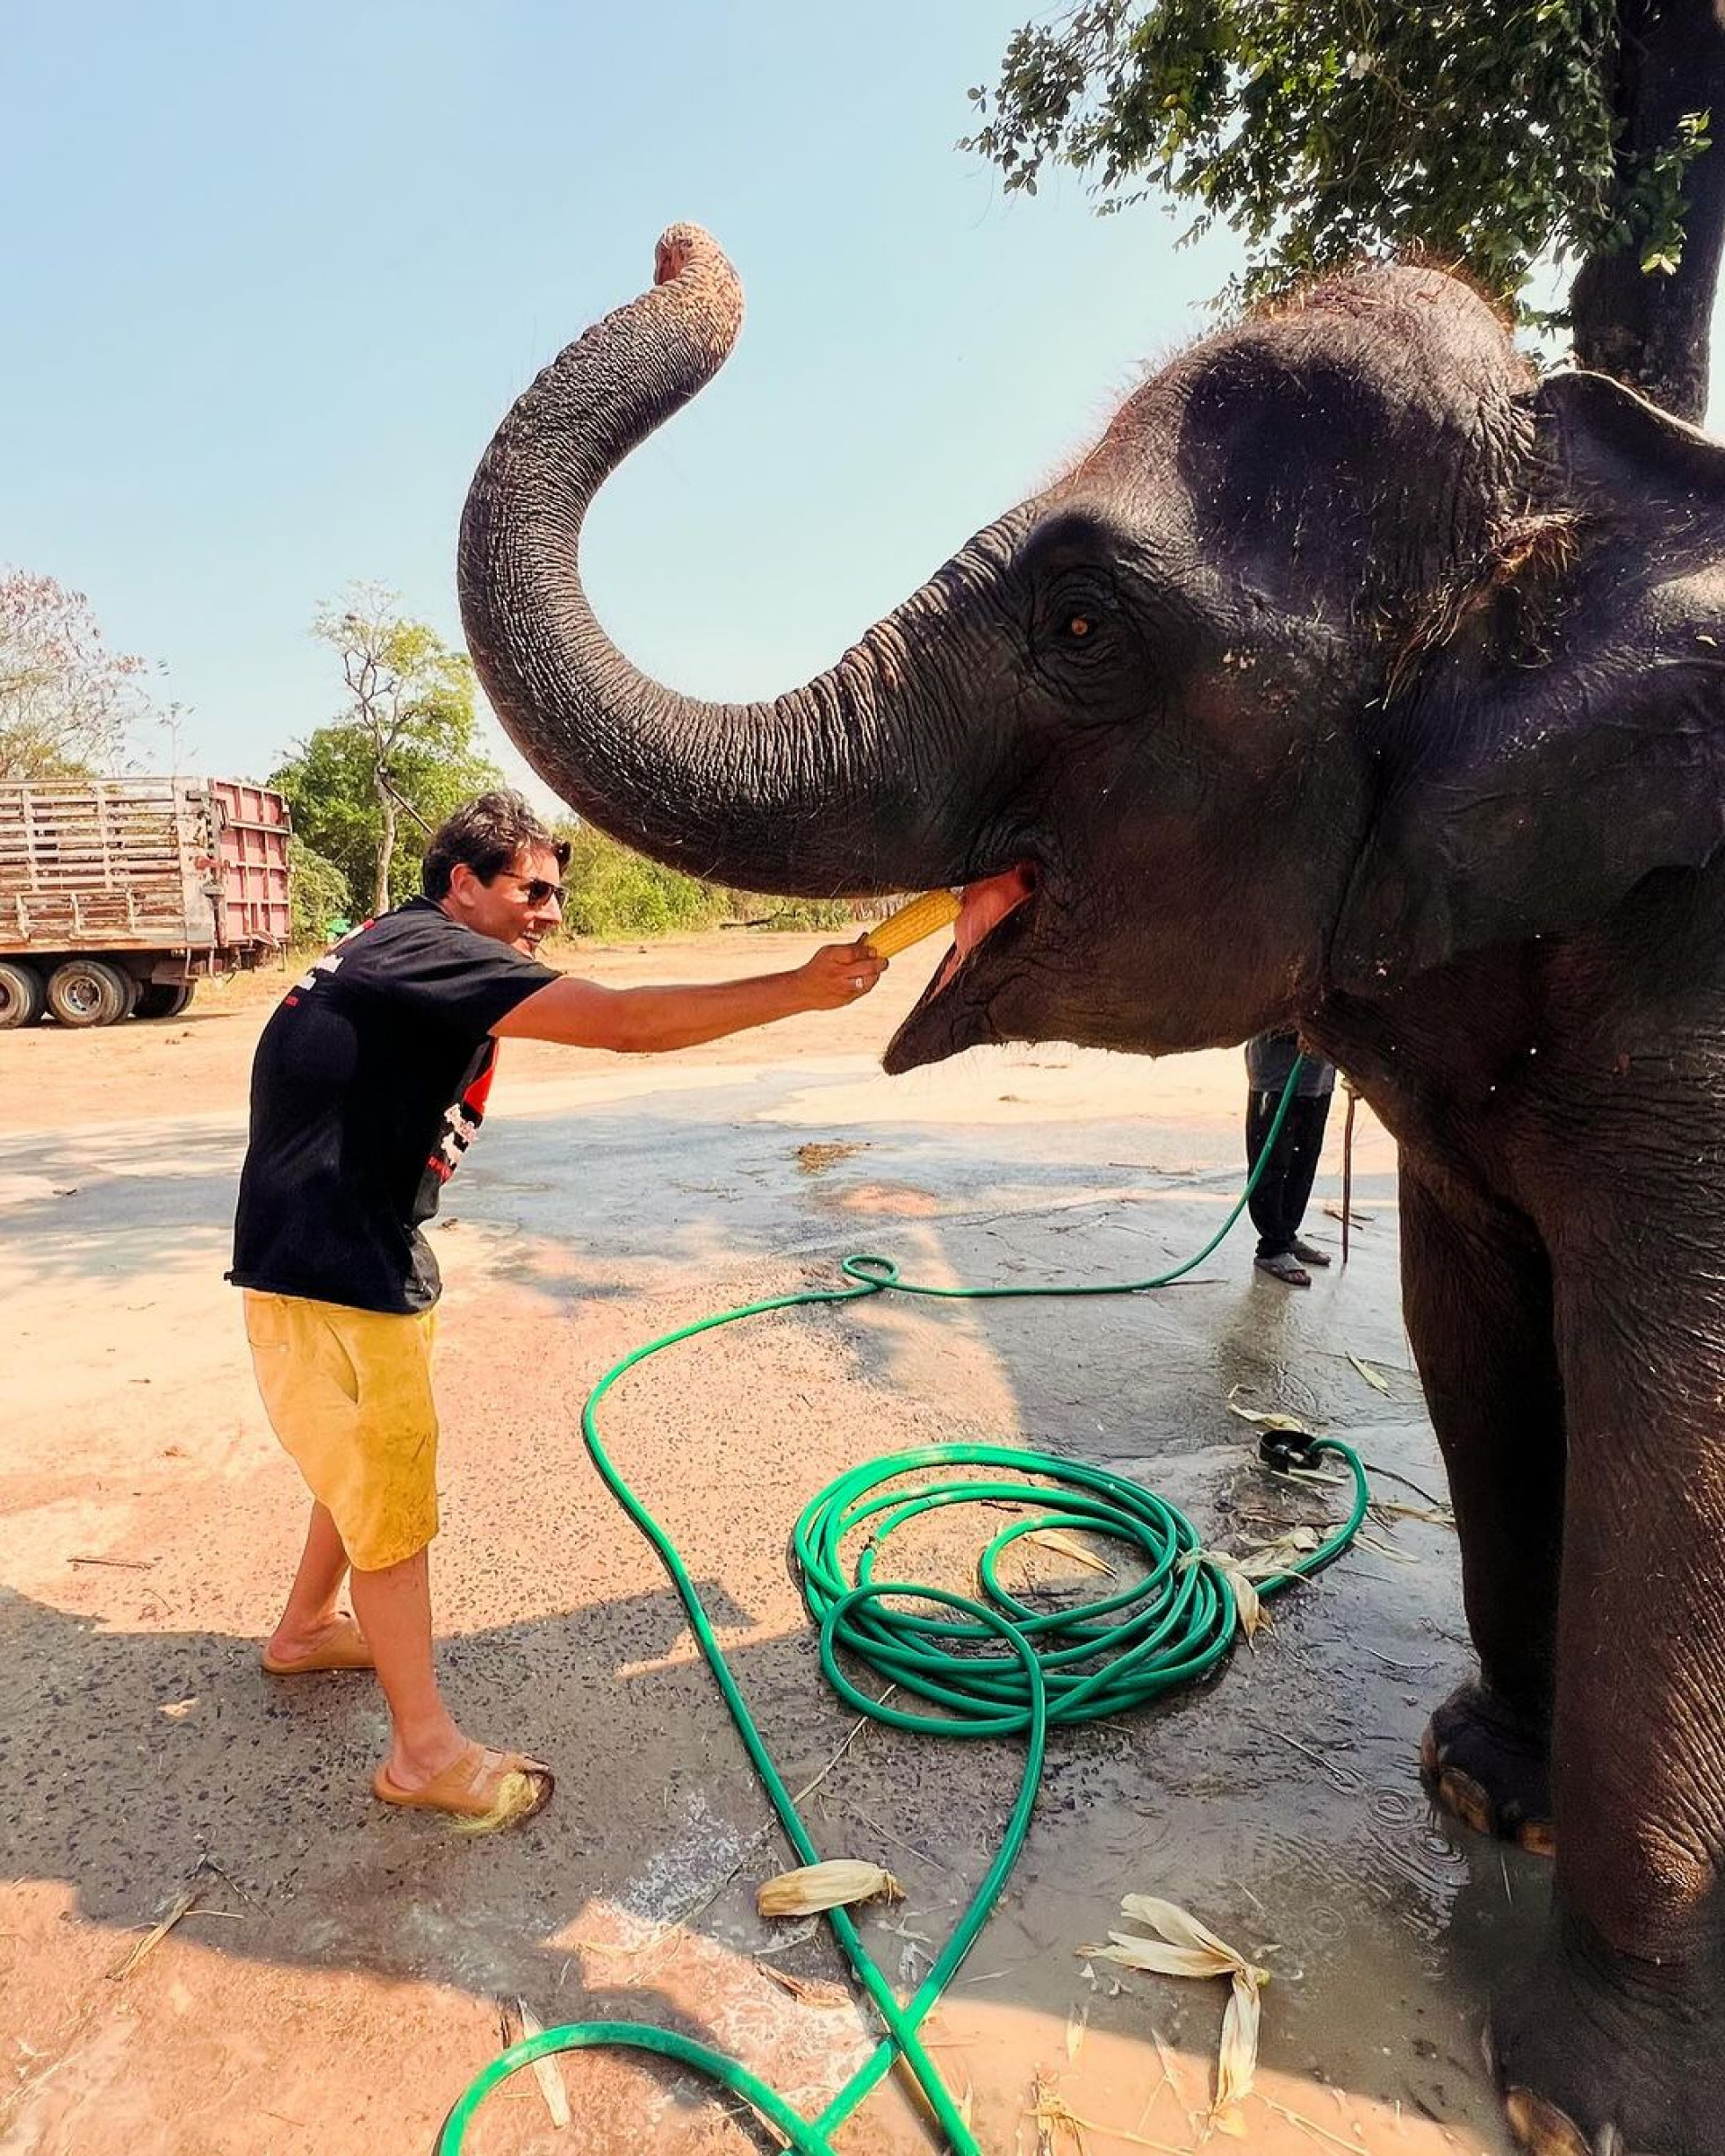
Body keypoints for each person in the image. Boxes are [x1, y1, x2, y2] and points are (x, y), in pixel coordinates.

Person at [229, 791, 887, 1831]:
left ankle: (306, 1629)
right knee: (393, 1504)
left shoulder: (399, 948)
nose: (548, 912)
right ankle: (422, 1753)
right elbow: (624, 1024)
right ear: (462, 885)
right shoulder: (433, 952)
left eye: (558, 896)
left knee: (361, 1465)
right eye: (531, 889)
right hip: (336, 1273)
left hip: (337, 1255)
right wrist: (797, 991)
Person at [1243, 1029, 1336, 1287]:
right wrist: (1295, 1029)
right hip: (1276, 1073)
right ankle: (1272, 1247)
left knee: (1304, 1160)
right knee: (1273, 1159)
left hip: (1319, 1074)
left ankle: (1286, 1235)